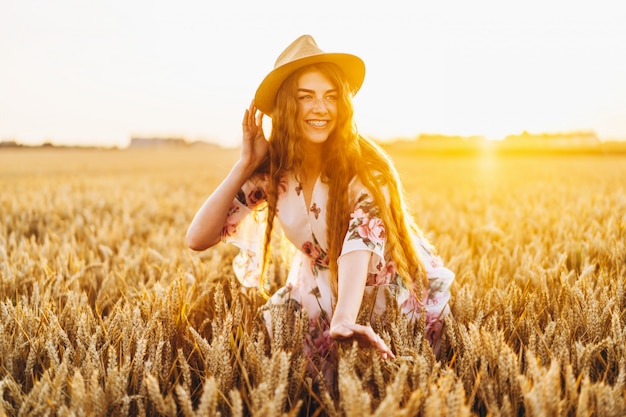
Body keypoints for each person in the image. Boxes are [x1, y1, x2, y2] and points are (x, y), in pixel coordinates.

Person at [186, 34, 454, 382]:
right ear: (286, 106)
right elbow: (198, 238)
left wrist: (344, 319)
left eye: (330, 97)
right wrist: (245, 164)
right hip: (319, 287)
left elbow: (357, 247)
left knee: (392, 382)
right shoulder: (273, 174)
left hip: (381, 287)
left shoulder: (368, 173)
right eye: (306, 97)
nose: (321, 108)